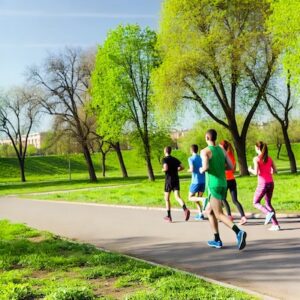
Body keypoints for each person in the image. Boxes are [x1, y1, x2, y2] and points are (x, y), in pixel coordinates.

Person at [200, 129, 247, 250]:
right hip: (223, 183)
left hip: (213, 185)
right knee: (209, 211)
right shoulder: (222, 150)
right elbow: (231, 167)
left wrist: (201, 169)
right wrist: (220, 165)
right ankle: (217, 239)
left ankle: (238, 232)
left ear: (206, 137)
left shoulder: (205, 151)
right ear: (215, 137)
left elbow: (205, 167)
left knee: (219, 214)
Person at [248, 141, 280, 231]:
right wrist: (269, 170)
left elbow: (256, 173)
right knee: (268, 203)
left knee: (255, 202)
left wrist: (250, 169)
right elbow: (275, 170)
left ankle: (267, 213)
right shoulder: (269, 158)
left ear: (257, 148)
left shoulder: (256, 159)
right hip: (271, 183)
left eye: (255, 147)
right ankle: (275, 225)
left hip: (262, 184)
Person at [219, 140, 247, 225]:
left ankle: (229, 216)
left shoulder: (222, 156)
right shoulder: (232, 155)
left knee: (223, 198)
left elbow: (221, 168)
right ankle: (243, 217)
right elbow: (233, 169)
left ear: (222, 146)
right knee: (235, 200)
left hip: (225, 180)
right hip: (232, 180)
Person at [162, 146, 190, 223]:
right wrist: (177, 169)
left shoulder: (164, 159)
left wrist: (163, 169)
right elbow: (182, 167)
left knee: (167, 199)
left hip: (169, 180)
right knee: (177, 197)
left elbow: (166, 168)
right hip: (176, 179)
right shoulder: (175, 159)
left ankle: (169, 216)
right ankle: (185, 209)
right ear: (170, 151)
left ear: (165, 151)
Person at [188, 144, 206, 220]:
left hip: (195, 181)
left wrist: (188, 170)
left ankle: (203, 200)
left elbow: (191, 169)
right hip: (203, 181)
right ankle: (200, 214)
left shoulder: (191, 158)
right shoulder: (201, 158)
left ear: (191, 150)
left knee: (190, 197)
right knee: (197, 198)